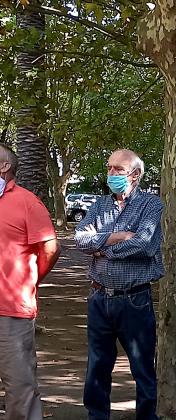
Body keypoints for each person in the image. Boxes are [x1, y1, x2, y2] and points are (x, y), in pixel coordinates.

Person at [74, 149, 163, 420]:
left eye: (117, 170)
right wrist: (117, 236)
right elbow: (80, 238)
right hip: (99, 297)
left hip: (134, 300)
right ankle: (97, 416)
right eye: (109, 168)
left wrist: (102, 247)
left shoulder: (151, 204)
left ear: (135, 175)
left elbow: (144, 244)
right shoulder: (100, 205)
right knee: (97, 366)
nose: (111, 173)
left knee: (143, 368)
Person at [0, 143, 61, 420]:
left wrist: (31, 280)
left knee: (20, 386)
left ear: (4, 167)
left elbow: (50, 248)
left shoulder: (27, 202)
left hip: (10, 311)